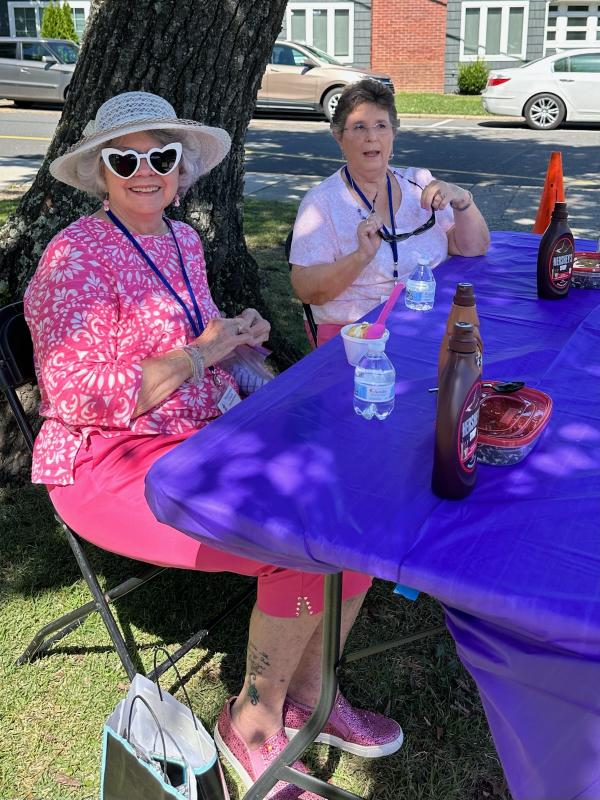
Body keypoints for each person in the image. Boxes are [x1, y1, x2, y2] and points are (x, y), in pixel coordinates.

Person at [24, 92, 403, 800]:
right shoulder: (74, 256)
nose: (145, 170)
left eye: (160, 155)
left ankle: (311, 696)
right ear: (99, 171)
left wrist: (237, 340)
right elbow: (74, 398)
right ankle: (253, 725)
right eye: (125, 157)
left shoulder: (181, 240)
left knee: (357, 503)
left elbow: (205, 341)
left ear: (181, 168)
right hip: (106, 461)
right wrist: (200, 356)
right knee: (296, 536)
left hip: (200, 436)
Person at [290, 79, 490, 347]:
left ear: (393, 133)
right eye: (359, 127)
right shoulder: (321, 202)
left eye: (381, 126)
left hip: (429, 324)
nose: (372, 136)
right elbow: (305, 289)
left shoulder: (419, 183)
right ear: (339, 136)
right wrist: (360, 257)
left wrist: (462, 201)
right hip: (360, 337)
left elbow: (471, 248)